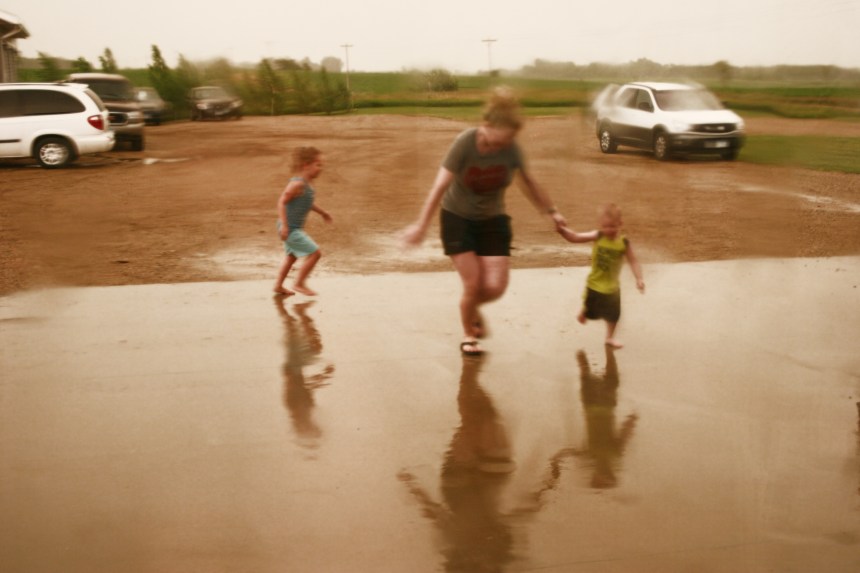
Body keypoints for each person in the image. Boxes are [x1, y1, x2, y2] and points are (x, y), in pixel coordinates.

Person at [402, 87, 566, 356]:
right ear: (486, 126)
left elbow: (529, 182)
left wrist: (552, 211)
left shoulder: (511, 147)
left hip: (493, 220)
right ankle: (469, 335)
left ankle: (471, 307)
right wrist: (421, 225)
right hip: (458, 218)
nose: (499, 148)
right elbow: (439, 186)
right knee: (473, 284)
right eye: (495, 143)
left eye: (505, 143)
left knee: (496, 286)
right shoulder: (465, 142)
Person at [556, 203, 645, 348]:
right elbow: (575, 237)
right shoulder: (598, 236)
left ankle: (609, 338)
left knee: (614, 316)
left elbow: (633, 261)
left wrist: (639, 278)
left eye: (612, 226)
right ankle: (584, 311)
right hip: (595, 284)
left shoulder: (624, 243)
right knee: (592, 312)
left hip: (612, 288)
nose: (608, 230)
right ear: (600, 225)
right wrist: (562, 231)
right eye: (605, 226)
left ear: (620, 224)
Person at [274, 146, 332, 296]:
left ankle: (278, 285)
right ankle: (299, 283)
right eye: (318, 164)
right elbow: (281, 201)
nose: (321, 168)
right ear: (306, 165)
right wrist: (285, 226)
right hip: (289, 228)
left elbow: (307, 203)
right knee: (315, 253)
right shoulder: (297, 184)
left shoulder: (308, 186)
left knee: (291, 257)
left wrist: (323, 212)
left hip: (293, 227)